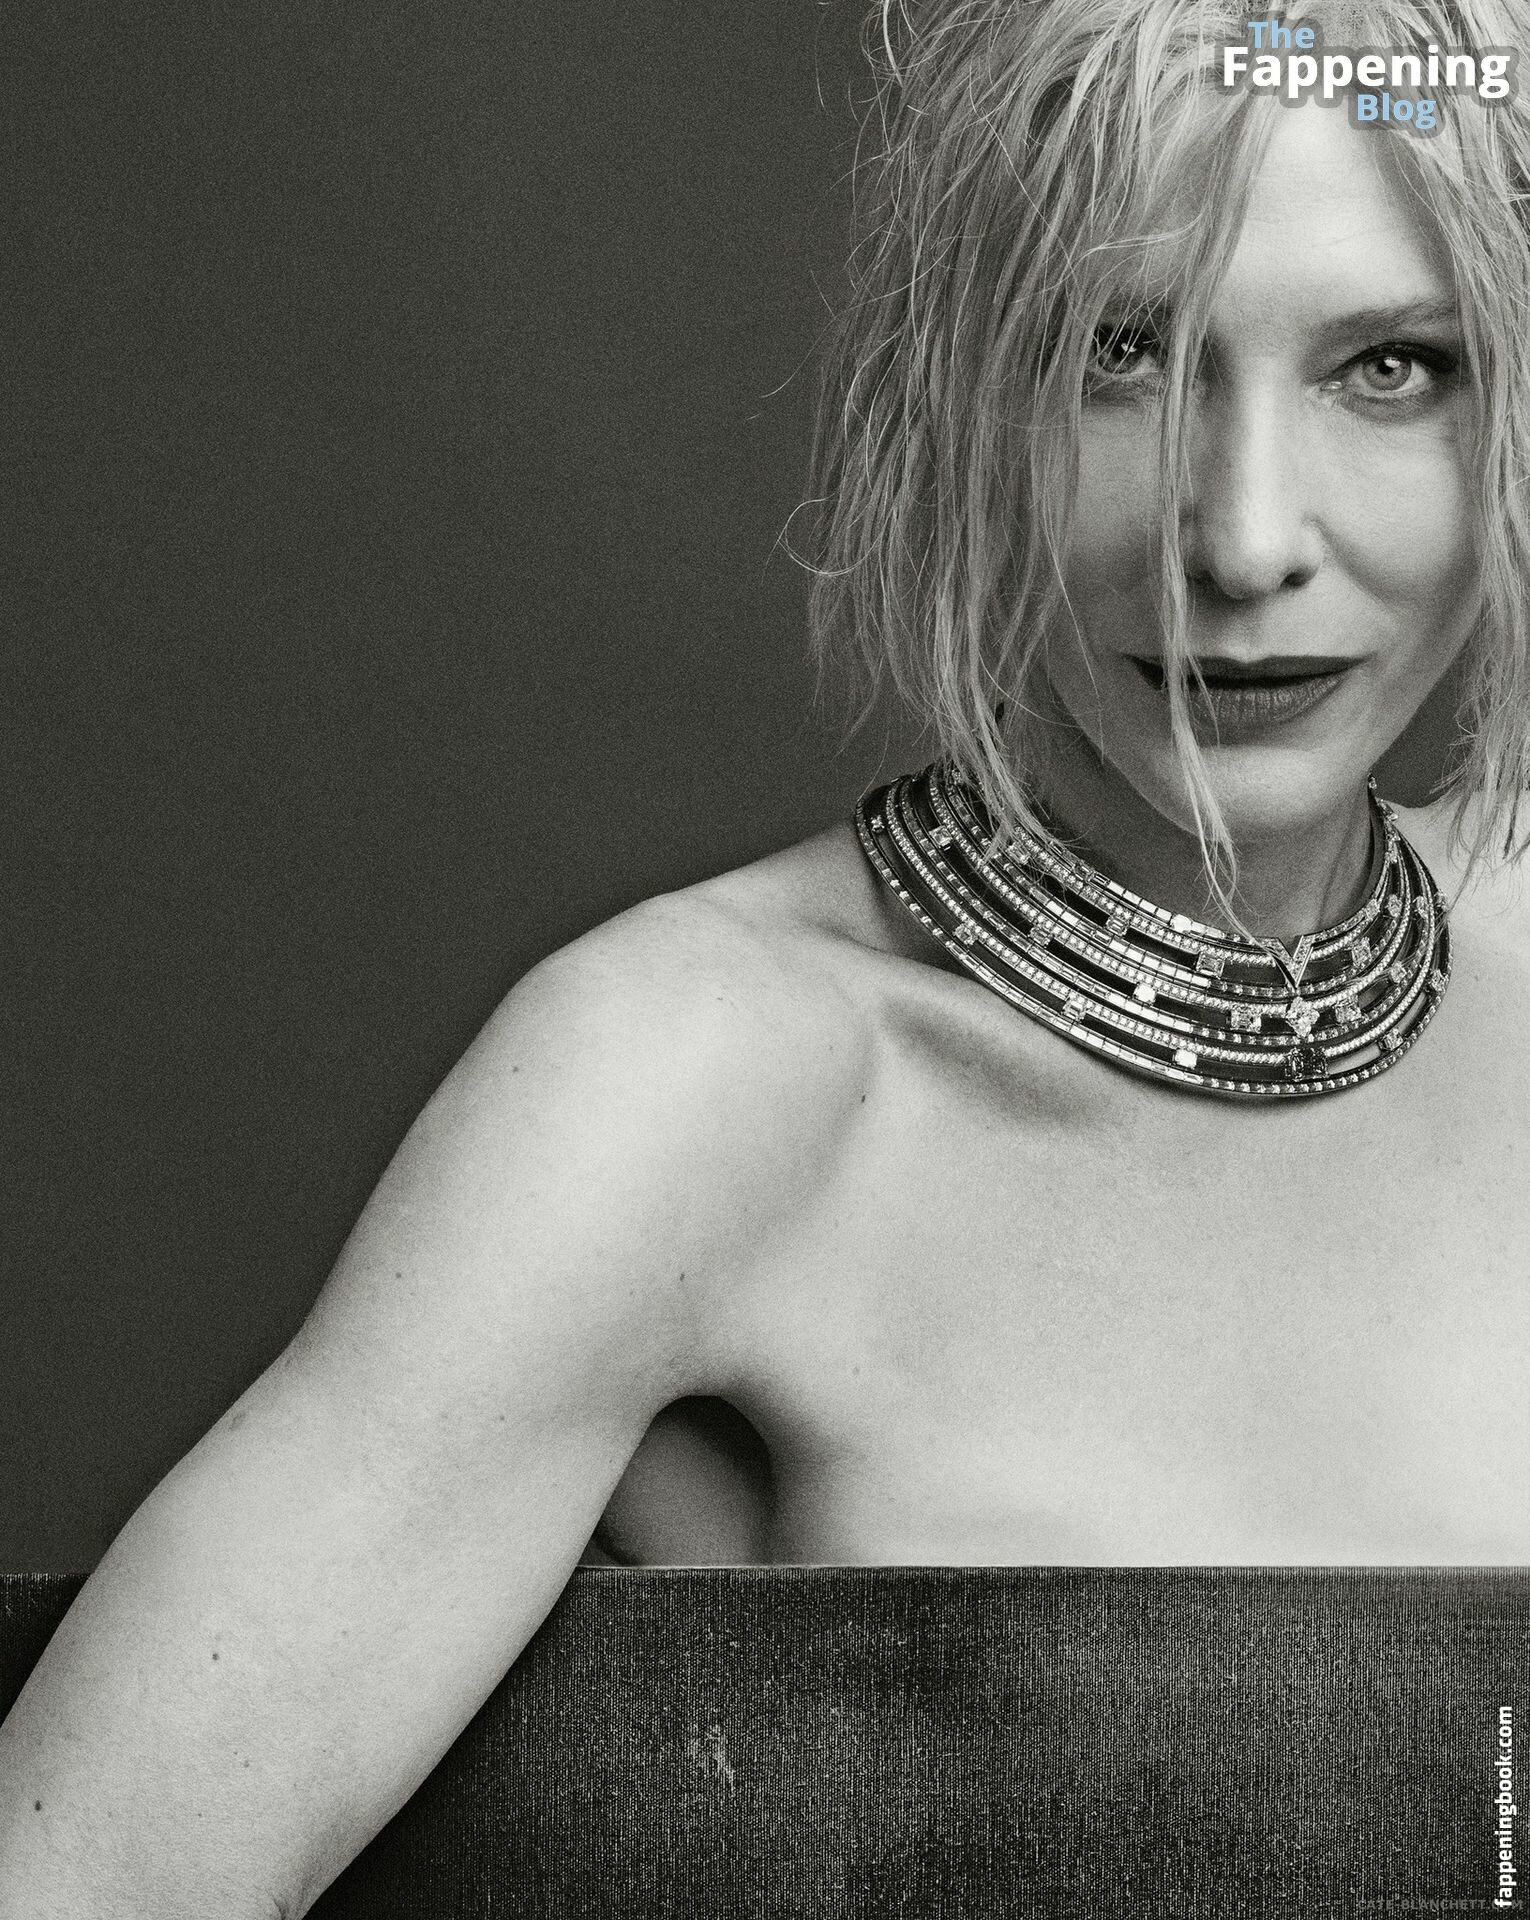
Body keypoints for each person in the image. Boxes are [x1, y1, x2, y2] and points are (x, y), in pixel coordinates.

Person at [3, 0, 1529, 1911]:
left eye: (1389, 367)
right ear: (954, 390)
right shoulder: (702, 1074)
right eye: (1115, 355)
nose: (1237, 539)